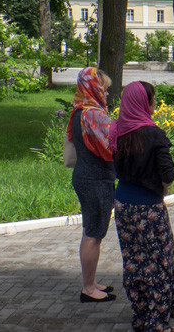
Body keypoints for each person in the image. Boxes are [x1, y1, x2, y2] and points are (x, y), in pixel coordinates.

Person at [110, 81, 174, 331]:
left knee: (133, 261)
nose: (153, 106)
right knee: (160, 263)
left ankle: (140, 317)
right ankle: (157, 323)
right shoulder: (153, 135)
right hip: (149, 209)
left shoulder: (116, 130)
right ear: (145, 103)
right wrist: (162, 186)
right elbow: (168, 173)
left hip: (123, 205)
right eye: (152, 100)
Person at [68, 67, 116, 303]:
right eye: (104, 90)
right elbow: (111, 145)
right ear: (94, 89)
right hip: (96, 179)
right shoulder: (93, 115)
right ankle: (88, 288)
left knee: (90, 232)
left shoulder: (78, 111)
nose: (107, 94)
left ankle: (91, 281)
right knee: (93, 235)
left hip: (85, 176)